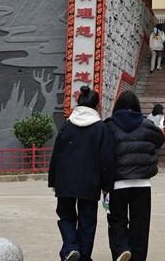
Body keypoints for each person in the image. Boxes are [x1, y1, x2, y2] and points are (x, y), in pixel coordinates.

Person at [49, 86, 114, 261]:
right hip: (90, 182)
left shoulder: (67, 126)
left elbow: (56, 154)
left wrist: (53, 181)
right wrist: (106, 186)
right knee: (87, 221)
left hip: (65, 181)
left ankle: (70, 247)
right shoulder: (101, 128)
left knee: (66, 216)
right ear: (97, 106)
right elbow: (106, 160)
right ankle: (84, 256)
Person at [105, 91, 164, 261]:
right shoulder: (146, 124)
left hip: (117, 182)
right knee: (140, 224)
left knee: (117, 220)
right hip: (143, 183)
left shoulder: (109, 125)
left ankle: (121, 249)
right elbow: (160, 139)